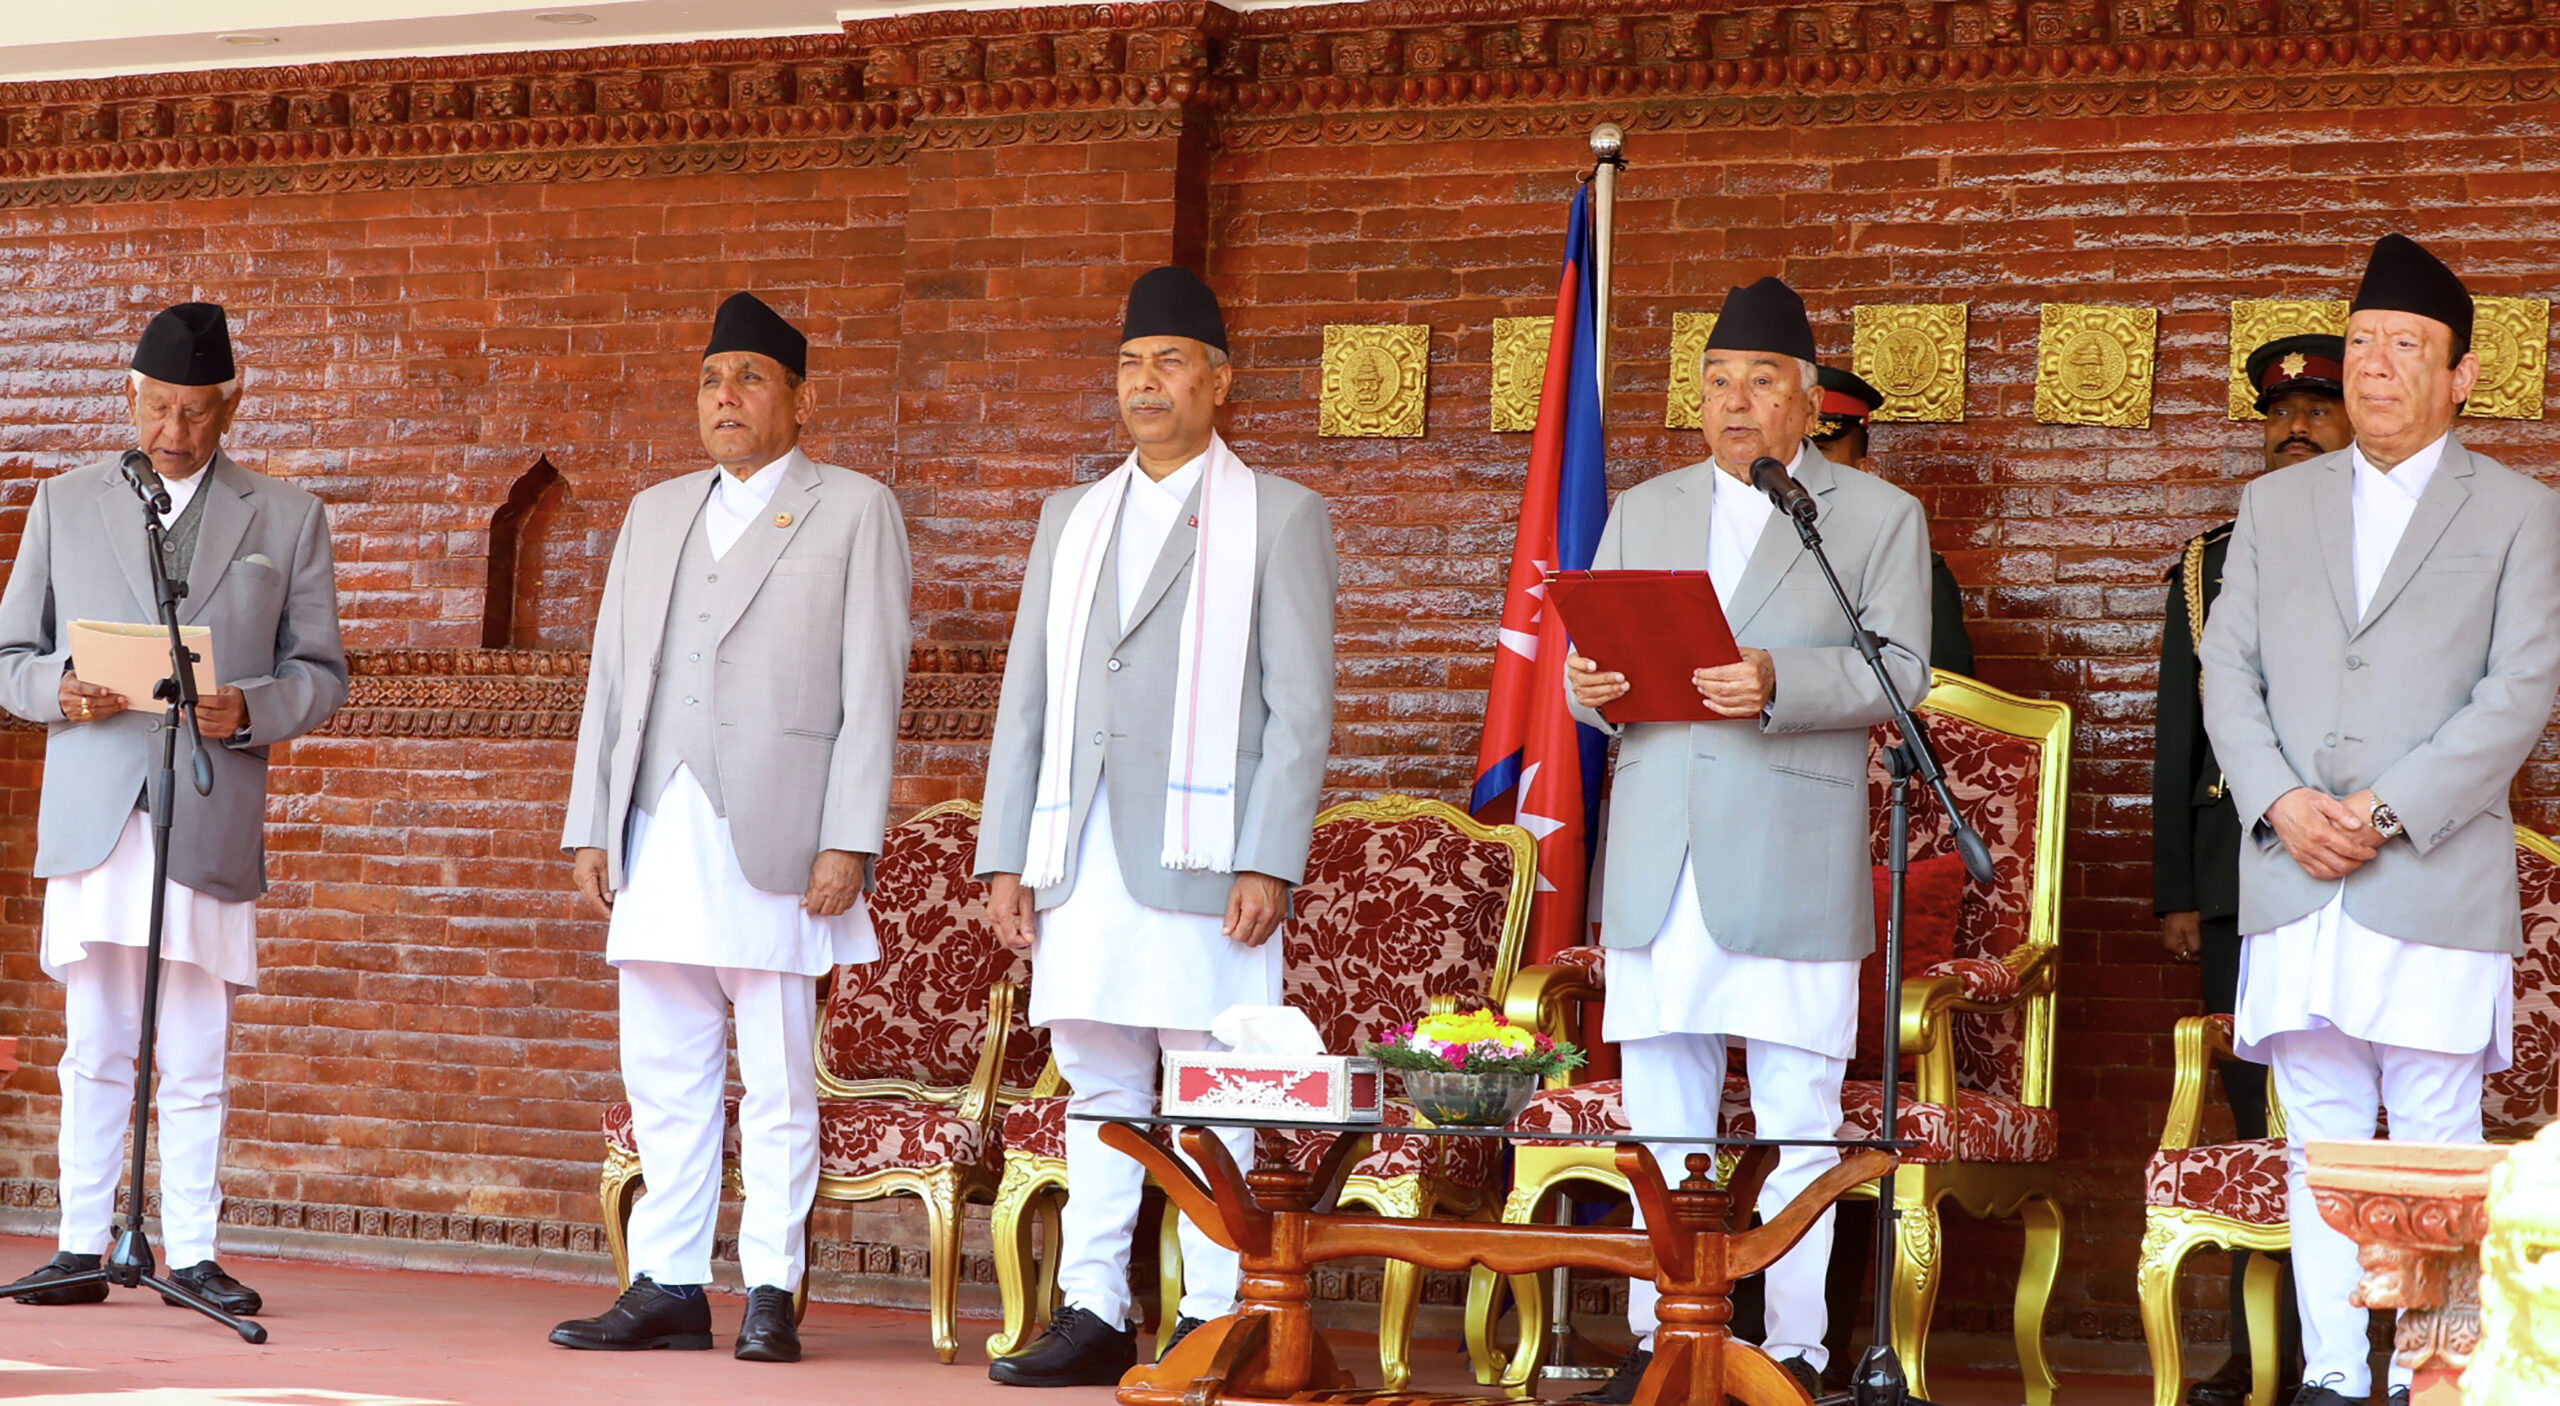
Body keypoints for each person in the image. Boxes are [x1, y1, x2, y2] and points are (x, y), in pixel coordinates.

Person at [2199, 234, 2560, 1406]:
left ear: (2461, 375)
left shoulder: (2519, 512)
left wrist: (2385, 807)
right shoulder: (2274, 502)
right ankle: (2331, 1375)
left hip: (2432, 870)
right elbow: (2226, 670)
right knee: (2319, 1131)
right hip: (2295, 867)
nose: (2374, 364)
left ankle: (2429, 1375)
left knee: (2434, 1136)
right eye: (2361, 341)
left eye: (2406, 345)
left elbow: (2519, 689)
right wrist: (2280, 800)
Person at [1563, 278, 1932, 1402]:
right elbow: (1597, 674)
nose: (1733, 401)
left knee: (1796, 1113)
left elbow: (1902, 673)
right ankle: (1662, 1334)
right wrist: (1589, 689)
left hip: (1788, 847)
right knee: (1663, 1105)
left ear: (1807, 402)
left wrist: (1781, 679)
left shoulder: (1873, 514)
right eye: (1716, 381)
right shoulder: (1644, 508)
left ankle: (1794, 1345)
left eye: (1759, 381)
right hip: (1659, 849)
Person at [976, 266, 1337, 1388]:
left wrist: (1269, 856)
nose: (1146, 382)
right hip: (1077, 842)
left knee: (1209, 1082)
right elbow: (1027, 699)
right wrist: (1004, 856)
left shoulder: (1279, 513)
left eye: (1169, 362)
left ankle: (1213, 1312)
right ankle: (1093, 1307)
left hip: (1205, 850)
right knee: (1095, 1078)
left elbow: (1300, 708)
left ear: (1218, 381)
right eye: (1131, 363)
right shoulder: (1070, 516)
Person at [552, 292, 911, 1364]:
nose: (727, 396)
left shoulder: (854, 507)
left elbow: (873, 686)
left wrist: (850, 836)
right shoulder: (655, 511)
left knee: (778, 1074)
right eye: (712, 379)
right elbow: (611, 681)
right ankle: (666, 1281)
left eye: (751, 377)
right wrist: (591, 824)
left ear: (801, 399)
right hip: (659, 818)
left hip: (782, 828)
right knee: (662, 1066)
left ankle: (770, 1287)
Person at [0, 303, 348, 1315]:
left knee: (195, 1043)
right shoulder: (63, 502)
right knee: (95, 1040)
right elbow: (10, 656)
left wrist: (254, 708)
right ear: (130, 396)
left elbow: (323, 673)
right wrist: (57, 687)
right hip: (98, 812)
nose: (174, 430)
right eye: (157, 407)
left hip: (207, 805)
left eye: (195, 411)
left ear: (230, 406)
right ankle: (80, 1241)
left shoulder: (287, 517)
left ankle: (192, 1251)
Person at [2154, 332, 2348, 1406]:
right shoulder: (2209, 562)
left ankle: (2356, 1347)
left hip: (2371, 856)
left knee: (2353, 1113)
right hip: (2238, 873)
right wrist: (2178, 891)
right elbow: (2176, 735)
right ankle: (2256, 1351)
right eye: (2280, 412)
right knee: (2255, 1116)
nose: (2295, 426)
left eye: (2317, 408)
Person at [1810, 364, 1974, 674]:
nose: (1803, 468)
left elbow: (1943, 693)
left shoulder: (1913, 569)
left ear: (1862, 469)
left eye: (1819, 451)